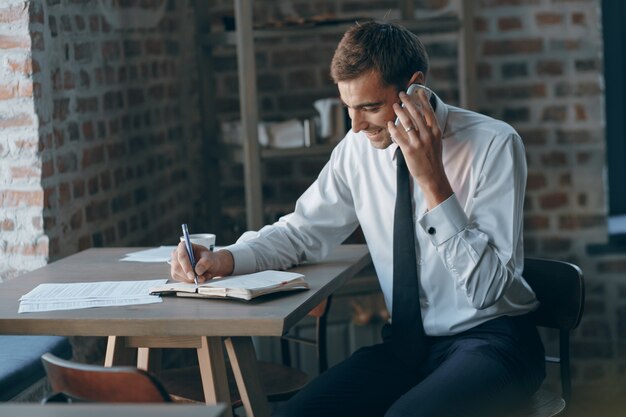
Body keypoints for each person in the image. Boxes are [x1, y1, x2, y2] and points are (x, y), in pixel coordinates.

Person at [171, 21, 545, 417]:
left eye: (369, 107)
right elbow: (301, 232)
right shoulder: (357, 149)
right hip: (405, 348)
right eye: (348, 107)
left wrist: (433, 179)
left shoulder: (495, 145)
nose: (356, 125)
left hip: (493, 342)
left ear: (415, 88)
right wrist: (226, 258)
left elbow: (490, 291)